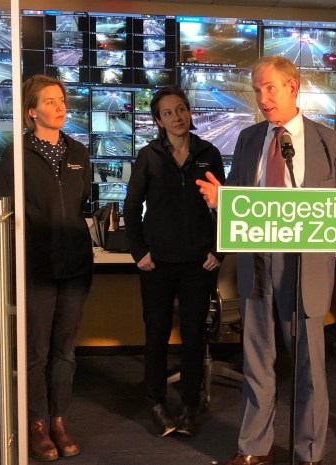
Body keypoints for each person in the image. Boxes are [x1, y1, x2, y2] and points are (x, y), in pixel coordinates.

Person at [196, 56, 336, 465]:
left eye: (269, 88)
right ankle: (254, 448)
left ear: (292, 87)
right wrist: (220, 203)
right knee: (257, 360)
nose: (263, 99)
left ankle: (309, 452)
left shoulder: (330, 143)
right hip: (258, 264)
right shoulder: (249, 140)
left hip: (305, 267)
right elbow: (240, 207)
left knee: (309, 368)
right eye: (257, 90)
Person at [0, 74, 93, 461]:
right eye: (50, 102)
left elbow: (81, 200)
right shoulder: (14, 156)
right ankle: (36, 424)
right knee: (36, 351)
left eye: (62, 100)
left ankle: (59, 418)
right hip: (36, 268)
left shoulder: (78, 153)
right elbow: (2, 211)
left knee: (65, 350)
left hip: (75, 269)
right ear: (32, 112)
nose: (60, 106)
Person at [123, 85, 225, 438]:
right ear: (158, 120)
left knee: (194, 338)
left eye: (181, 109)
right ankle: (156, 401)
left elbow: (223, 206)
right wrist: (140, 252)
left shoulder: (208, 153)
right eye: (168, 113)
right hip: (158, 264)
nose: (177, 117)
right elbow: (132, 207)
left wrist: (219, 249)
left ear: (189, 112)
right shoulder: (148, 155)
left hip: (199, 264)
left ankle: (191, 406)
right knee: (156, 337)